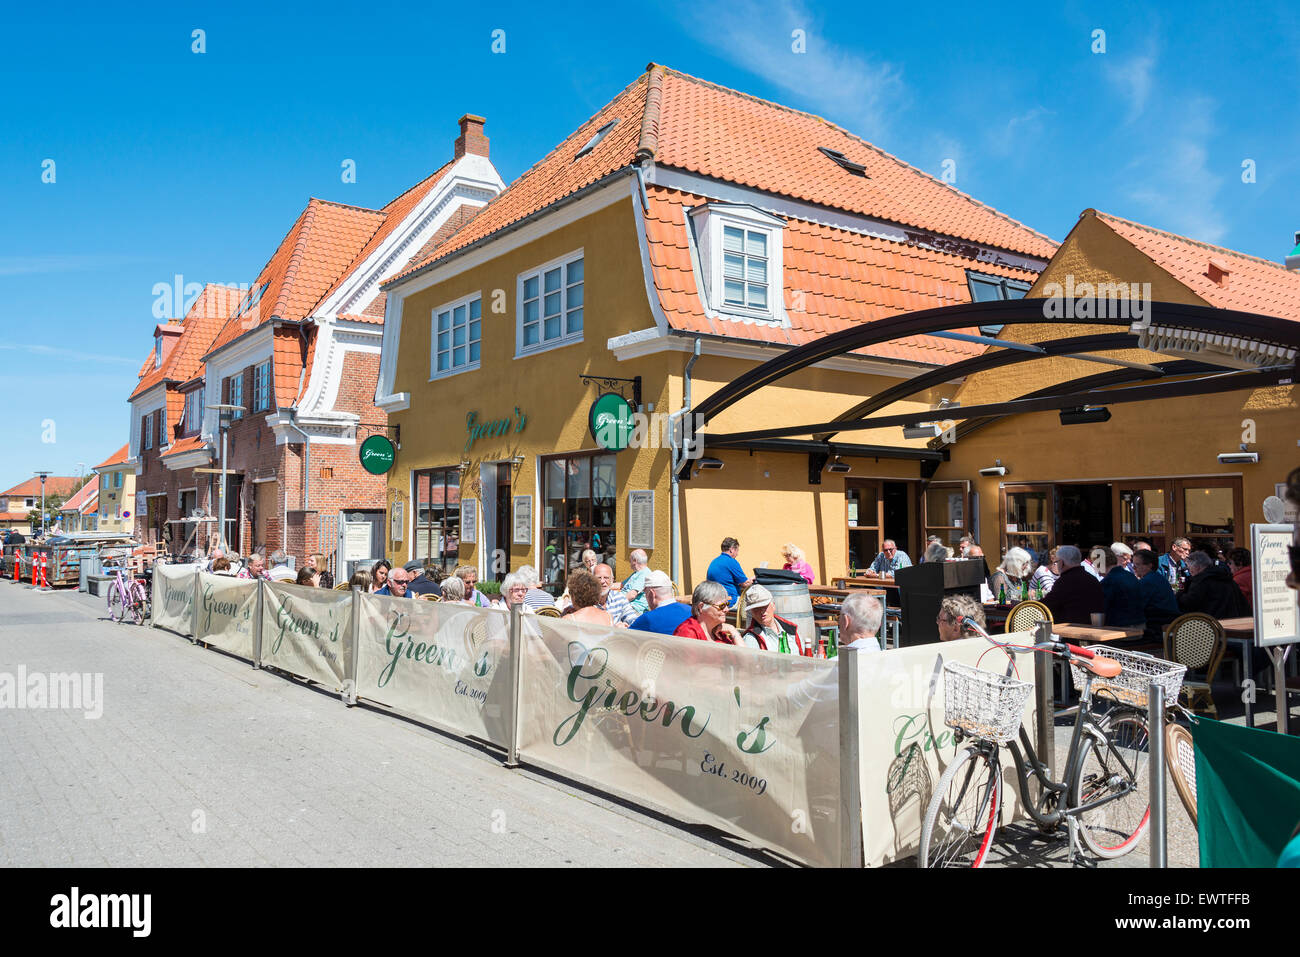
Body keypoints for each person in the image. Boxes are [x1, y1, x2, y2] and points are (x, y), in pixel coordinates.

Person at [1042, 545, 1104, 624]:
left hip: (1070, 630)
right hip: (1092, 627)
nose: (1056, 565)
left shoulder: (1064, 581)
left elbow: (1048, 605)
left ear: (1062, 562)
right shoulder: (1092, 579)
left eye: (1057, 562)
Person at [1178, 551, 1248, 618]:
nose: (1189, 570)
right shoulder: (1227, 578)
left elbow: (1189, 603)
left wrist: (1179, 594)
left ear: (1197, 567)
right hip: (1232, 621)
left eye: (1188, 566)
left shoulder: (1201, 581)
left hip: (1208, 625)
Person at [740, 584, 805, 654]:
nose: (761, 612)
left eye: (764, 606)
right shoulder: (751, 639)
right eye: (756, 609)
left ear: (773, 605)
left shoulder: (790, 630)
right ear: (751, 612)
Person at [1132, 549, 1179, 643]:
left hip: (1156, 630)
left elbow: (1136, 607)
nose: (1133, 567)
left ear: (1149, 565)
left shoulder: (1148, 582)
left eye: (1137, 564)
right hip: (1165, 625)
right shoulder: (1158, 578)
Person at [675, 581, 742, 644]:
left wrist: (732, 630)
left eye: (727, 604)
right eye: (722, 606)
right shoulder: (688, 632)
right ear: (701, 607)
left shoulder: (719, 631)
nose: (727, 609)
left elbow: (745, 655)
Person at [627, 571, 692, 635]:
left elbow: (626, 638)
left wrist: (620, 628)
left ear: (652, 594)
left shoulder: (648, 619)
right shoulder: (691, 612)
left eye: (645, 593)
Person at [1101, 546, 1144, 626]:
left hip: (1122, 629)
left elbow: (1102, 608)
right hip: (1139, 625)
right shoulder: (1130, 576)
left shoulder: (1109, 581)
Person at [706, 537, 751, 602]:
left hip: (714, 600)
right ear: (732, 550)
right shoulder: (731, 561)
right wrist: (753, 580)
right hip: (730, 600)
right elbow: (745, 584)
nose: (737, 554)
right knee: (753, 605)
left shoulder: (714, 562)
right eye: (737, 550)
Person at [620, 549, 652, 614]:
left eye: (630, 560)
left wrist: (616, 603)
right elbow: (621, 585)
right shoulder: (637, 573)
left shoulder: (645, 574)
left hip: (633, 608)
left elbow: (632, 595)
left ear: (635, 561)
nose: (629, 562)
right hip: (627, 605)